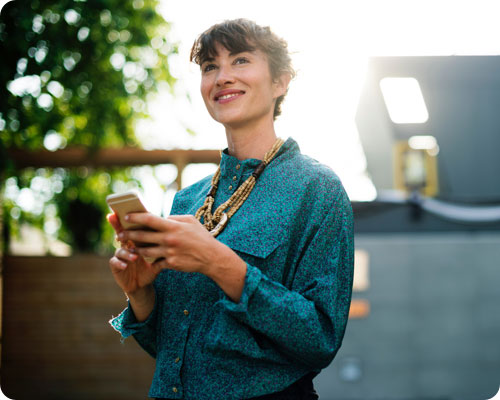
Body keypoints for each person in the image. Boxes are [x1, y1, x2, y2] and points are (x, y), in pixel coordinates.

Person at [108, 18, 354, 400]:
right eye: (210, 66)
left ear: (280, 82)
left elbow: (321, 339)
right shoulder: (186, 200)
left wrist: (217, 262)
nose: (222, 76)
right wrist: (140, 295)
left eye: (240, 60)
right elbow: (170, 351)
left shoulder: (317, 189)